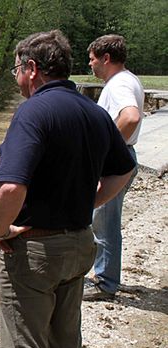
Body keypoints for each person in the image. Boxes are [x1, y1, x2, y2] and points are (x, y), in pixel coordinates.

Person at [0, 30, 135, 348]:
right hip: (80, 245)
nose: (17, 79)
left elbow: (10, 188)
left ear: (32, 69)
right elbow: (123, 171)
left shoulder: (33, 113)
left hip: (34, 252)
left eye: (16, 71)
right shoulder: (94, 112)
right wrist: (89, 202)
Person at [84, 34, 145, 300]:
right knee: (105, 219)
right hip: (125, 158)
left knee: (104, 222)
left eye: (92, 59)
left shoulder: (118, 84)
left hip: (117, 162)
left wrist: (107, 150)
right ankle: (105, 276)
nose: (90, 65)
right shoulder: (128, 79)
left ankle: (105, 283)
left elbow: (130, 116)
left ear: (106, 58)